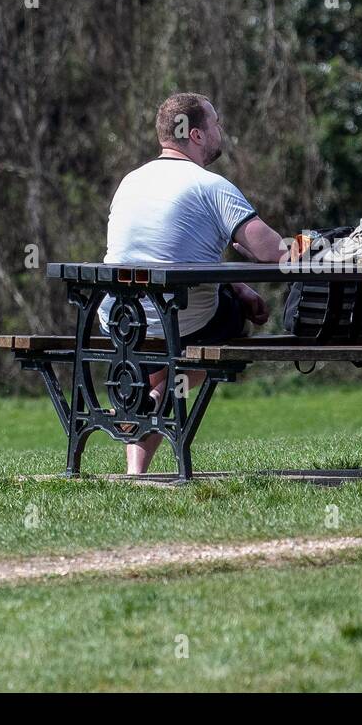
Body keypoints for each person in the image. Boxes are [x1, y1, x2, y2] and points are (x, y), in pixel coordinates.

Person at [100, 92, 287, 474]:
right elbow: (274, 252)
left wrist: (236, 285)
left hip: (119, 317)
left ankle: (137, 469)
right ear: (197, 135)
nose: (221, 131)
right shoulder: (210, 185)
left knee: (163, 346)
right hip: (180, 318)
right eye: (216, 124)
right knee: (230, 328)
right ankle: (156, 393)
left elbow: (159, 255)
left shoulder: (130, 181)